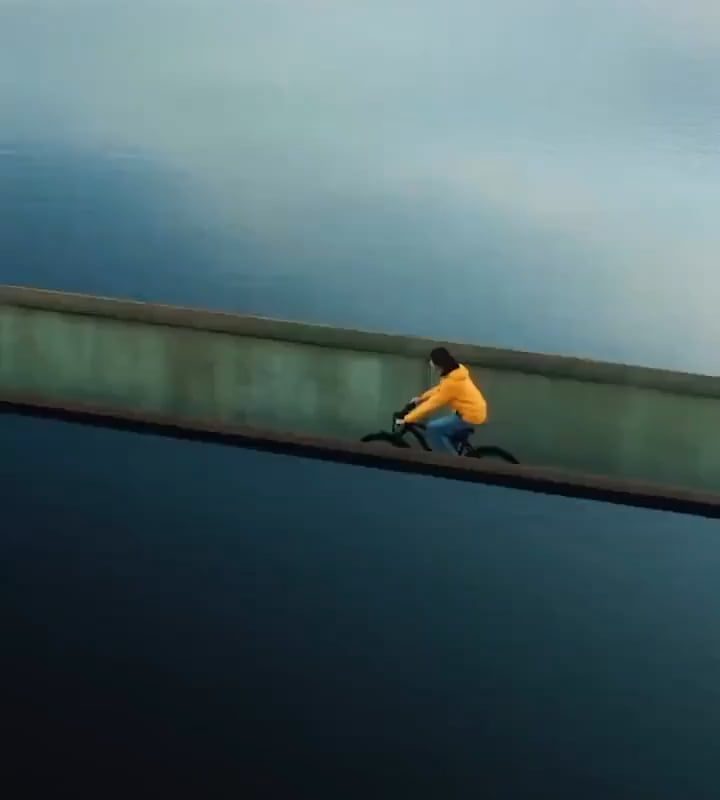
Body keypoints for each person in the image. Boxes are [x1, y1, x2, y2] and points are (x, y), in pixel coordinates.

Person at [399, 347, 488, 454]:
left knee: (432, 429)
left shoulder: (452, 382)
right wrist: (421, 398)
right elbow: (440, 389)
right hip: (470, 411)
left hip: (470, 416)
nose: (430, 363)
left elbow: (433, 404)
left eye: (432, 360)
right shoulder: (455, 372)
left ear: (439, 363)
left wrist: (408, 418)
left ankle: (450, 464)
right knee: (446, 436)